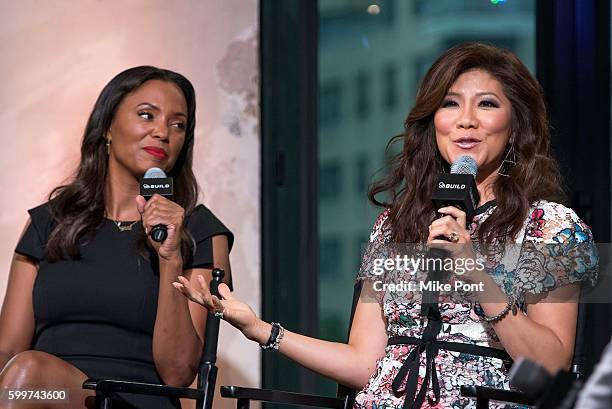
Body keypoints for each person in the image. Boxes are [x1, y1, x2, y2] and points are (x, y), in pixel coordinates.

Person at [174, 43, 597, 409]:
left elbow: (549, 364)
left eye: (487, 103)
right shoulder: (397, 222)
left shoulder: (549, 226)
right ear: (433, 120)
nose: (466, 119)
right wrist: (261, 330)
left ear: (515, 123)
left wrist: (476, 274)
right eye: (450, 103)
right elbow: (364, 362)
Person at [0, 66, 234, 409]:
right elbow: (7, 348)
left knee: (27, 377)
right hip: (43, 397)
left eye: (177, 124)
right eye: (146, 115)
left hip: (133, 402)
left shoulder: (199, 231)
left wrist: (170, 256)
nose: (162, 132)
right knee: (24, 378)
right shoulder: (50, 222)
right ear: (107, 126)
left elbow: (179, 371)